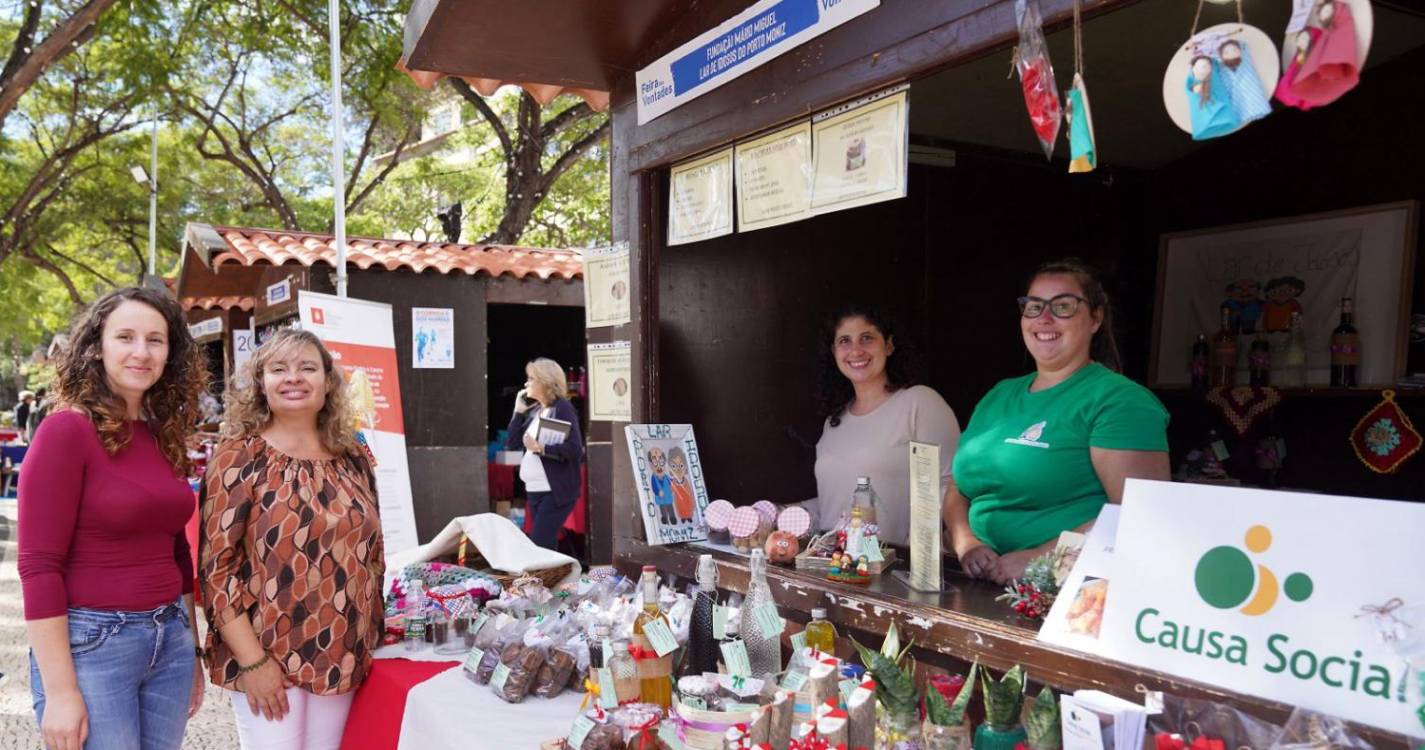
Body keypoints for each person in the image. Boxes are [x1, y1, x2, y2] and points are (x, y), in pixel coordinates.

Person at [18, 287, 208, 750]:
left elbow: (178, 550)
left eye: (155, 340)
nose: (141, 352)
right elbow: (39, 567)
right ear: (96, 347)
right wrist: (61, 692)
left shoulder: (163, 433)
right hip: (93, 646)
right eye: (125, 337)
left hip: (171, 642)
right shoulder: (66, 431)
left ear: (171, 354)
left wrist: (193, 651)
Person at [200, 329, 384, 750]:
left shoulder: (352, 456)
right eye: (278, 369)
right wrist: (253, 661)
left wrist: (370, 633)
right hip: (266, 654)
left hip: (341, 652)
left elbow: (372, 553)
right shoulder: (239, 455)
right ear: (261, 383)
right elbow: (216, 571)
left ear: (328, 381)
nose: (293, 378)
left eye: (307, 367)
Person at [944, 259, 1171, 585]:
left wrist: (1043, 560)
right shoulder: (999, 394)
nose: (1044, 318)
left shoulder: (1119, 400)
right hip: (973, 580)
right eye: (1034, 307)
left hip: (1066, 591)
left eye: (1063, 306)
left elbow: (1141, 514)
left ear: (1095, 318)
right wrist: (967, 544)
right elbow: (957, 486)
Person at [804, 305, 961, 547]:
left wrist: (913, 550)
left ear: (888, 345)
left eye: (866, 338)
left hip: (895, 571)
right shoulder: (833, 422)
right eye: (845, 340)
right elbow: (834, 502)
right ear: (834, 352)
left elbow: (949, 483)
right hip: (836, 569)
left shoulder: (919, 402)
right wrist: (787, 511)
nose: (856, 350)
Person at [506, 357, 585, 550]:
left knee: (540, 541)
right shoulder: (537, 410)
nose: (527, 383)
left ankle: (551, 578)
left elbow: (575, 449)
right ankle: (556, 579)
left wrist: (541, 448)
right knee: (546, 544)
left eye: (531, 379)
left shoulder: (562, 408)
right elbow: (512, 442)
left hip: (554, 490)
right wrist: (518, 412)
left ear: (545, 381)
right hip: (535, 490)